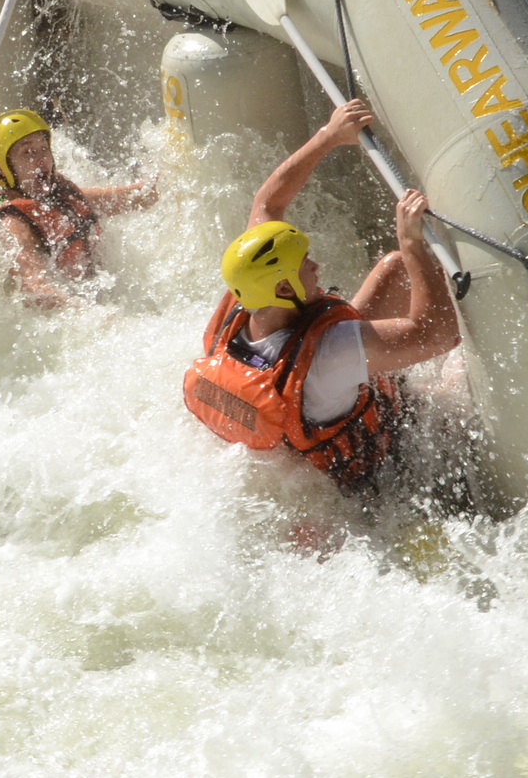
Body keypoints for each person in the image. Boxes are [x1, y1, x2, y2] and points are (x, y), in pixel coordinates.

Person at [182, 100, 461, 492]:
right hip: (369, 479)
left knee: (396, 269)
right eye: (304, 264)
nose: (316, 266)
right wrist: (411, 242)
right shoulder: (330, 353)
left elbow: (268, 203)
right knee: (455, 380)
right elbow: (438, 336)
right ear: (283, 288)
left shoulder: (245, 297)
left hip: (300, 423)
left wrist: (329, 136)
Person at [0, 109, 157, 310]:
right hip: (66, 315)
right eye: (28, 152)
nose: (42, 159)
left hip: (100, 296)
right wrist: (91, 314)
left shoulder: (62, 196)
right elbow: (37, 290)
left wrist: (171, 170)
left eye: (44, 148)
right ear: (1, 169)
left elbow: (139, 197)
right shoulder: (14, 224)